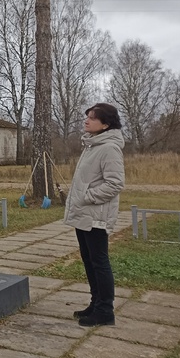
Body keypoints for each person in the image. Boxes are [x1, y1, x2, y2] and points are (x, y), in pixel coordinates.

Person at [64, 102, 125, 327]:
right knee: (89, 260)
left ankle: (105, 311)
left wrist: (87, 196)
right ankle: (96, 303)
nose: (86, 120)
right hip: (84, 214)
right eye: (87, 116)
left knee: (99, 261)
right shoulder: (93, 145)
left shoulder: (109, 148)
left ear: (106, 124)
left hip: (96, 215)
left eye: (92, 117)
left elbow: (115, 183)